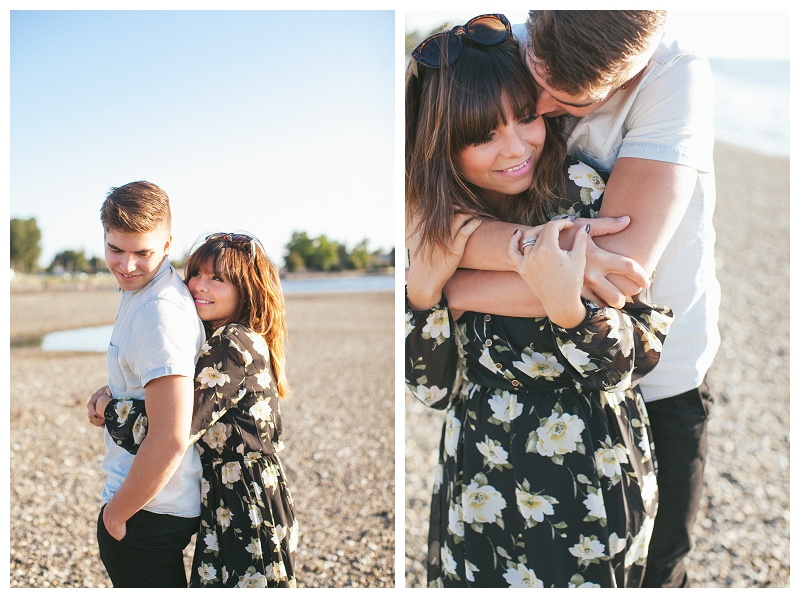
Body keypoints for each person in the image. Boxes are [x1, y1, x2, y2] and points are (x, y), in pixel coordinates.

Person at [447, 11, 719, 588]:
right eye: (534, 78)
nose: (538, 106)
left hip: (657, 371)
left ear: (628, 76)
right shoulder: (502, 41)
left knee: (656, 563)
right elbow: (427, 212)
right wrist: (530, 255)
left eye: (567, 103)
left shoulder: (673, 75)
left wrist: (455, 286)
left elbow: (608, 282)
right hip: (520, 378)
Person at [91, 232, 299, 588]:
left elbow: (171, 427)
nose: (199, 286)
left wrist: (107, 408)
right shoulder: (226, 337)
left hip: (246, 501)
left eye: (217, 278)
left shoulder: (233, 345)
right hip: (230, 494)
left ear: (246, 288)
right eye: (197, 273)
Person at [86, 181, 206, 587]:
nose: (127, 265)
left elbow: (171, 436)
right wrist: (111, 395)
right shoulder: (142, 293)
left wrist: (116, 516)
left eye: (143, 252)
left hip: (148, 512)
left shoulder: (159, 313)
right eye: (116, 249)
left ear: (169, 244)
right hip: (150, 506)